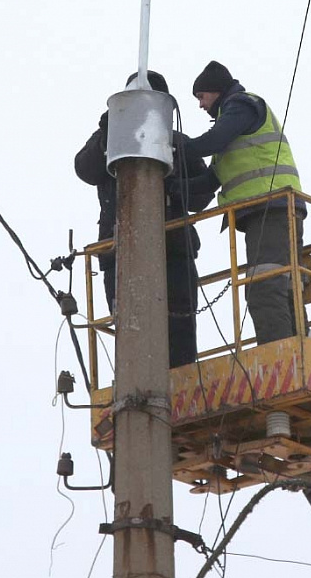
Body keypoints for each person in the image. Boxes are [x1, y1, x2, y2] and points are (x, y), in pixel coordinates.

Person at [74, 70, 216, 368]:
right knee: (131, 325)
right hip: (120, 251)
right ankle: (137, 381)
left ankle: (180, 380)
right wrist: (106, 136)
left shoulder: (177, 143)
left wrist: (176, 187)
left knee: (178, 321)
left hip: (173, 249)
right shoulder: (108, 141)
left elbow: (202, 196)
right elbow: (84, 169)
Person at [184, 61, 305, 346]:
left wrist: (176, 144)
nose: (201, 105)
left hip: (272, 207)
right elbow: (208, 182)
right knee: (283, 284)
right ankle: (296, 349)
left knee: (265, 286)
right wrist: (170, 189)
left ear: (215, 91)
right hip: (269, 211)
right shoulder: (233, 129)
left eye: (201, 97)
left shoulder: (240, 106)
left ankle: (282, 358)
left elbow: (213, 140)